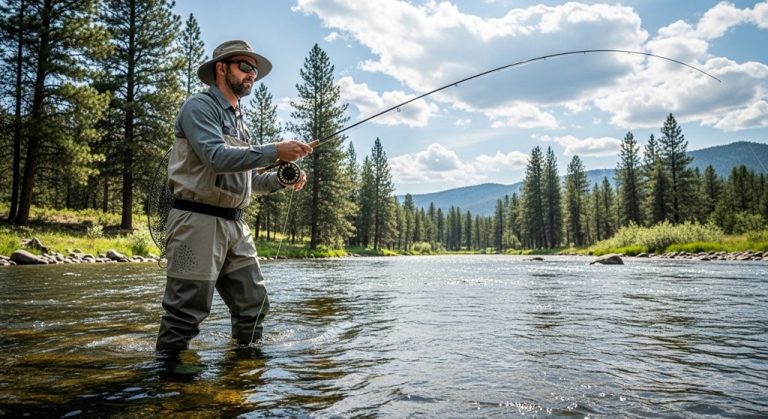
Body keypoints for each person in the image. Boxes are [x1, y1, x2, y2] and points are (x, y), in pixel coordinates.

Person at [156, 39, 313, 354]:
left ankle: (242, 372)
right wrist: (273, 150)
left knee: (254, 306)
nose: (252, 74)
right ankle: (169, 383)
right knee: (185, 313)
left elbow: (250, 182)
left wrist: (281, 179)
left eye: (254, 69)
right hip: (195, 222)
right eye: (245, 66)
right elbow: (215, 157)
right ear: (221, 68)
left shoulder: (241, 125)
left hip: (235, 228)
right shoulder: (199, 107)